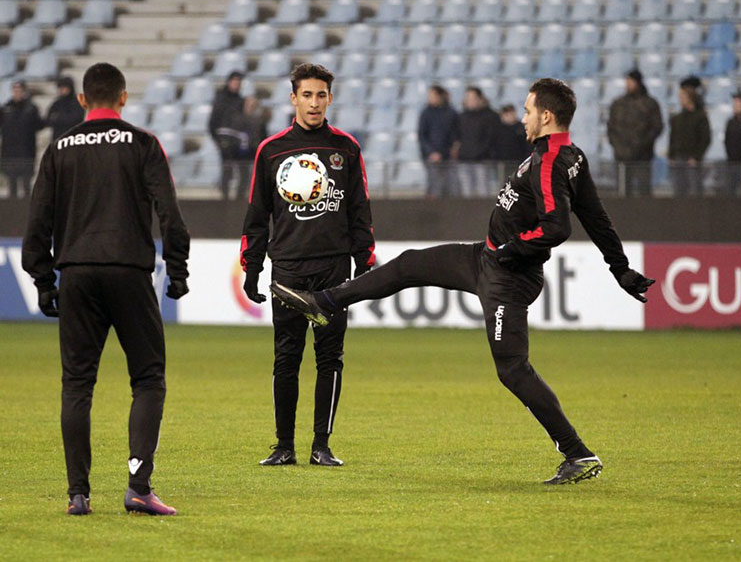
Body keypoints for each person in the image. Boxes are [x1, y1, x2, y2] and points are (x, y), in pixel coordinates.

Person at [269, 78, 655, 485]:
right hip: (483, 258)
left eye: (527, 111)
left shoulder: (549, 162)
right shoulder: (568, 156)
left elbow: (556, 227)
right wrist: (621, 268)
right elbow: (596, 217)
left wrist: (511, 250)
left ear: (546, 116)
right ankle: (325, 302)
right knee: (409, 265)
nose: (523, 118)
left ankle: (577, 453)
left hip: (507, 276)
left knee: (513, 370)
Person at [21, 62, 190, 516]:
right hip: (130, 272)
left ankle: (78, 493)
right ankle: (138, 486)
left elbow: (36, 221)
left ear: (81, 100)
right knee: (148, 379)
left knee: (77, 383)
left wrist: (42, 279)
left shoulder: (59, 149)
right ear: (123, 98)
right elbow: (169, 211)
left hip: (76, 273)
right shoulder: (143, 143)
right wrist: (178, 269)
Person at [240, 63, 376, 468]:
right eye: (307, 95)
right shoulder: (271, 150)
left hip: (333, 269)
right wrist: (251, 269)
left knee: (330, 357)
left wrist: (363, 261)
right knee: (286, 357)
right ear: (293, 98)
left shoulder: (346, 148)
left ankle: (322, 445)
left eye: (321, 95)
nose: (314, 103)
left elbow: (359, 210)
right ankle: (284, 446)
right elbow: (256, 215)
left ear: (330, 98)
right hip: (288, 269)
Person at [606, 69, 663, 197]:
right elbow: (611, 128)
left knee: (644, 191)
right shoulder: (618, 104)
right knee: (623, 192)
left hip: (643, 156)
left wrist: (643, 145)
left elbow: (657, 127)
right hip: (622, 156)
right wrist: (618, 147)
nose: (628, 84)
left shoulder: (650, 104)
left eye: (631, 81)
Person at [0, 80, 44, 198]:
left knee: (26, 186)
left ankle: (26, 215)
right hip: (9, 153)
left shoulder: (32, 109)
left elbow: (40, 125)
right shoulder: (5, 109)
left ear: (24, 92)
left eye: (19, 90)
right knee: (12, 187)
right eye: (15, 90)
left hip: (27, 152)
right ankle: (12, 215)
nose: (17, 93)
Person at [668, 78, 711, 197]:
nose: (680, 99)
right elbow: (672, 138)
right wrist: (671, 155)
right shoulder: (677, 118)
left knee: (695, 190)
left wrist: (696, 157)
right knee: (679, 190)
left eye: (683, 96)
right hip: (679, 158)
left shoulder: (700, 117)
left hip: (692, 161)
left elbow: (705, 139)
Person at [209, 71, 247, 199]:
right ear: (229, 82)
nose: (237, 85)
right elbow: (213, 120)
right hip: (224, 138)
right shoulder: (220, 99)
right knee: (228, 168)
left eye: (239, 82)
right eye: (235, 82)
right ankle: (224, 199)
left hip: (238, 139)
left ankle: (239, 199)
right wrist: (216, 139)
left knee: (243, 170)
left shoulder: (240, 100)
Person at [418, 85, 460, 199]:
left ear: (440, 96)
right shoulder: (426, 113)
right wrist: (431, 152)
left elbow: (456, 134)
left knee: (451, 187)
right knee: (434, 186)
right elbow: (422, 135)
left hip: (448, 157)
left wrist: (454, 148)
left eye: (432, 95)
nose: (430, 98)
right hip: (431, 157)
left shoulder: (451, 113)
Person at [457, 86, 499, 197]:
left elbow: (490, 139)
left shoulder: (490, 116)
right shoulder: (461, 117)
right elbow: (457, 138)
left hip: (482, 160)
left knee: (483, 192)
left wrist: (481, 153)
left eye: (473, 98)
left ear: (480, 99)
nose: (470, 101)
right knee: (466, 194)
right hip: (464, 159)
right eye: (468, 98)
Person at [236, 96, 267, 200]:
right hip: (241, 155)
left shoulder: (259, 122)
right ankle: (239, 200)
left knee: (256, 180)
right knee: (243, 178)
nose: (250, 107)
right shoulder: (238, 120)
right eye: (248, 105)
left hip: (255, 154)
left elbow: (263, 138)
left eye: (253, 105)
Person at [493, 104, 533, 175]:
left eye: (511, 113)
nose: (509, 116)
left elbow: (528, 146)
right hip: (502, 163)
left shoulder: (522, 129)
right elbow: (495, 146)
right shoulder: (498, 130)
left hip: (518, 162)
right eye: (506, 114)